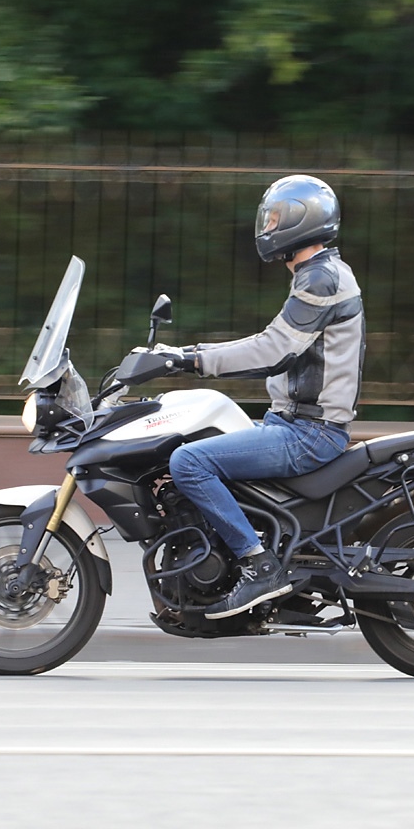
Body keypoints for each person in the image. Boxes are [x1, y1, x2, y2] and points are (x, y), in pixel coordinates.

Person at [150, 174, 365, 619]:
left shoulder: (321, 279)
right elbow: (275, 346)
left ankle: (259, 566)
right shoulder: (316, 274)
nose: (266, 227)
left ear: (301, 221)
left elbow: (272, 351)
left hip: (309, 433)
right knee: (198, 436)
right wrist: (184, 354)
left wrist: (189, 359)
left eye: (274, 219)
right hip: (292, 423)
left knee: (188, 462)